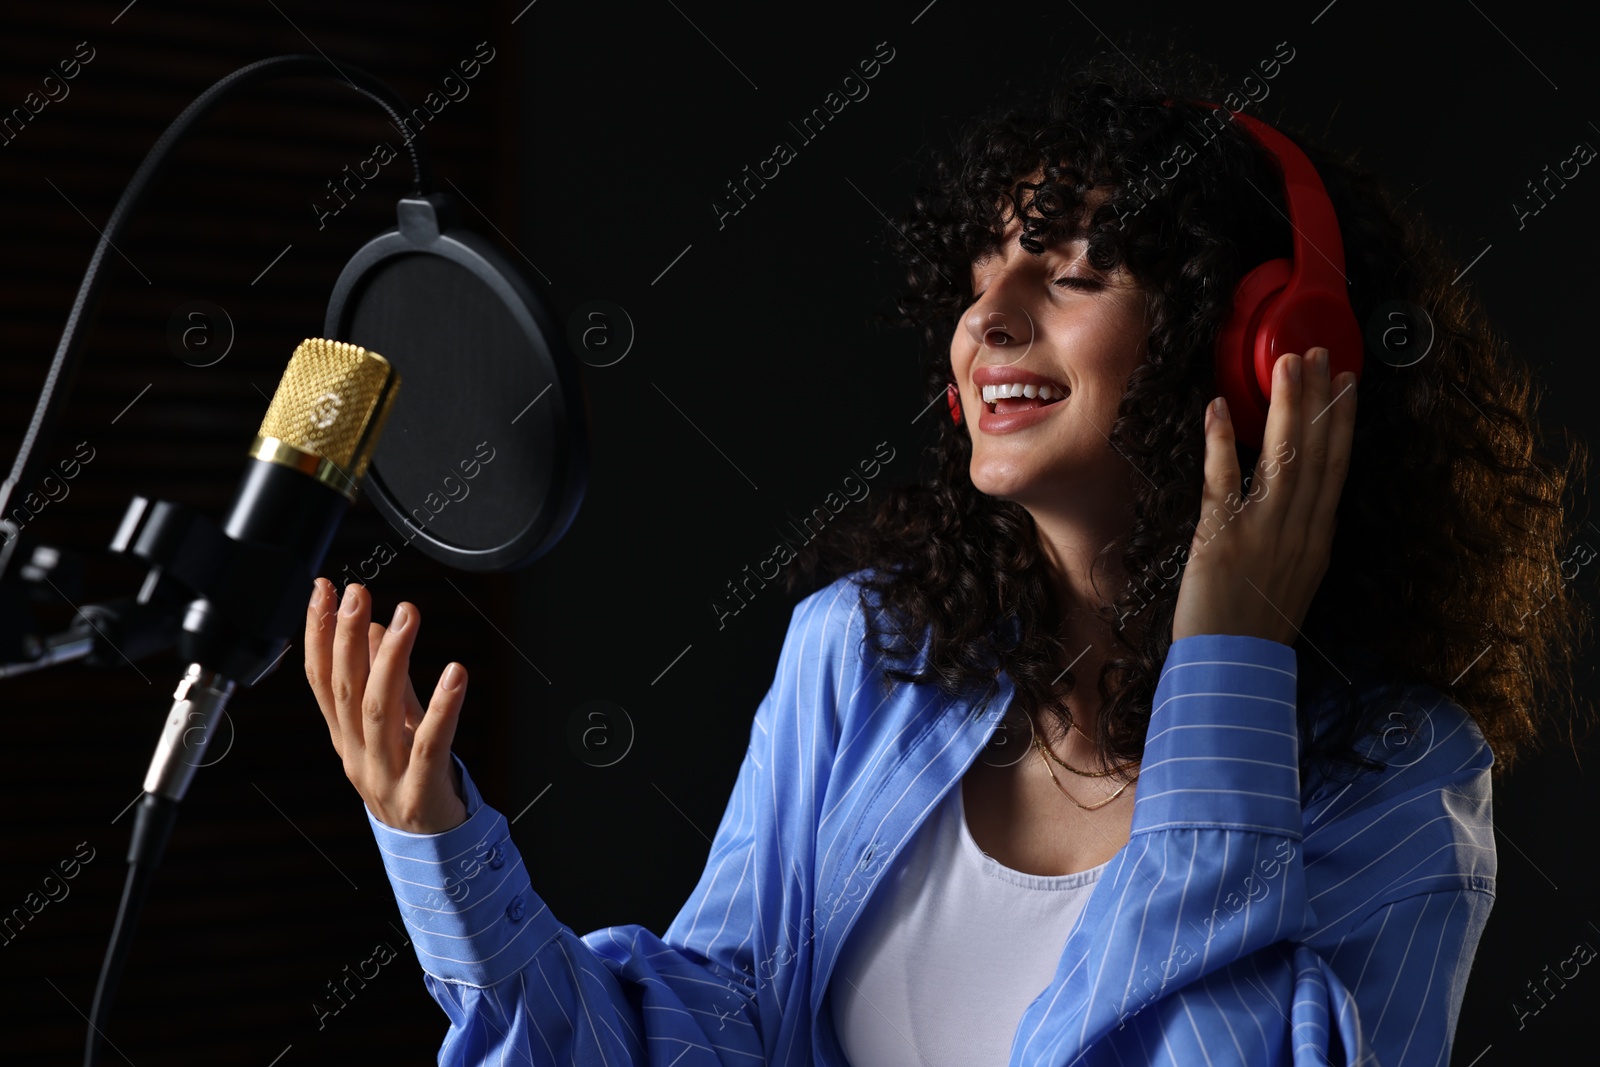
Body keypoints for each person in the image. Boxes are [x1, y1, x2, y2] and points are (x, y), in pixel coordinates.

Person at [301, 49, 1589, 1066]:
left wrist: (1229, 664)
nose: (991, 314)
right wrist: (451, 857)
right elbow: (711, 1031)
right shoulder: (859, 654)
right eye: (986, 265)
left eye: (1076, 270)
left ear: (1255, 346)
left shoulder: (1401, 787)